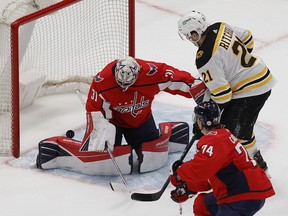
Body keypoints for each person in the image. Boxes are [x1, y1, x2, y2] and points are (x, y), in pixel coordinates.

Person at [36, 56, 207, 175]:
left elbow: (177, 80)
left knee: (150, 156)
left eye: (128, 84)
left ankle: (169, 130)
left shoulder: (151, 73)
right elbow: (94, 110)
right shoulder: (102, 81)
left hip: (140, 119)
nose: (124, 87)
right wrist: (97, 134)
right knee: (99, 155)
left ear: (137, 74)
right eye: (121, 83)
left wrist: (199, 91)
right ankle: (59, 146)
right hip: (112, 122)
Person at [177, 10, 277, 172]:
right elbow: (248, 38)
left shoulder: (204, 57)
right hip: (261, 77)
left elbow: (223, 95)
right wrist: (236, 64)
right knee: (243, 129)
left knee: (232, 134)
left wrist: (206, 116)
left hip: (250, 92)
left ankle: (256, 173)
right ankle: (256, 167)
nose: (189, 39)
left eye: (189, 35)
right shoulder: (220, 27)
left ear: (195, 33)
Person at [169, 101, 275, 216]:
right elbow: (211, 176)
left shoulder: (213, 140)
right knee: (204, 204)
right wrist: (188, 188)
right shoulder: (223, 135)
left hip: (240, 195)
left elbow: (202, 168)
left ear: (200, 121)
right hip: (247, 191)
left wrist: (180, 173)